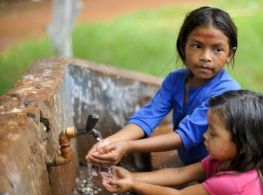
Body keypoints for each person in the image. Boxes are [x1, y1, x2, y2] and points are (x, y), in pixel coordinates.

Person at [85, 6, 240, 167]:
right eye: (197, 46)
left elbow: (186, 135)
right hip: (189, 162)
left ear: (230, 54)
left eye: (217, 49)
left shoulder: (227, 91)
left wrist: (128, 146)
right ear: (183, 46)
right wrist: (109, 142)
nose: (206, 57)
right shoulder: (175, 80)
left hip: (215, 167)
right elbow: (148, 116)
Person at [101, 90, 263, 195]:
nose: (204, 136)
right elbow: (180, 173)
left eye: (213, 133)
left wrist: (133, 185)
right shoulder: (224, 159)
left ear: (243, 145)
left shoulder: (230, 183)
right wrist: (132, 177)